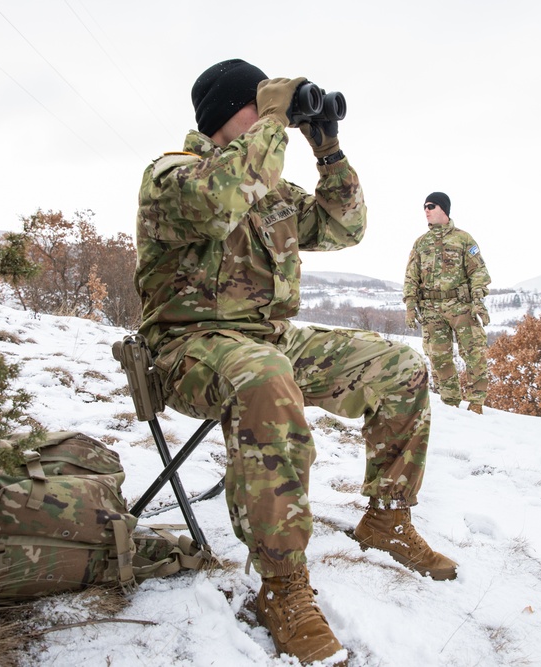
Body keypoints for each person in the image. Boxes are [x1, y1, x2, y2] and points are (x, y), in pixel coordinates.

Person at [134, 59, 457, 665]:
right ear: (229, 115)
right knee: (266, 375)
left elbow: (345, 226)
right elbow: (217, 203)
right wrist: (276, 118)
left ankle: (387, 518)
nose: (272, 119)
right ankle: (281, 588)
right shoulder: (173, 175)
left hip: (267, 342)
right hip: (189, 348)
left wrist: (326, 146)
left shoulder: (272, 191)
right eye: (261, 105)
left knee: (402, 367)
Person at [403, 192, 492, 413]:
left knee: (474, 352)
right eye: (424, 206)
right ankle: (450, 403)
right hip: (431, 309)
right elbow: (411, 276)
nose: (426, 210)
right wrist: (410, 305)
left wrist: (479, 301)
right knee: (438, 357)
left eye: (431, 206)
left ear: (444, 209)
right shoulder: (421, 243)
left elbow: (478, 272)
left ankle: (476, 402)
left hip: (461, 306)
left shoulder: (464, 239)